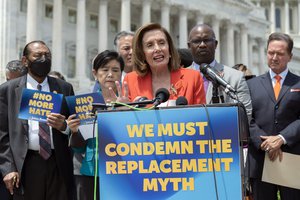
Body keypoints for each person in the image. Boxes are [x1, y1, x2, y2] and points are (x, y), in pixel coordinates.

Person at [0, 40, 75, 200]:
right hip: (26, 165)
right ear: (25, 61)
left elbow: (75, 127)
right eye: (38, 55)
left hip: (58, 164)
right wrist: (8, 168)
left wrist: (64, 126)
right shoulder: (8, 90)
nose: (44, 59)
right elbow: (2, 133)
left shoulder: (64, 88)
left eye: (47, 55)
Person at [246, 33, 300, 200]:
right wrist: (264, 142)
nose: (274, 57)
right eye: (271, 53)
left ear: (290, 56)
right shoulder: (250, 85)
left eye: (280, 54)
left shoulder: (298, 83)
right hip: (261, 158)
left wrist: (282, 138)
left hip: (290, 158)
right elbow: (247, 117)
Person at [67, 50, 124, 200]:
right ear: (95, 73)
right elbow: (78, 146)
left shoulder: (129, 100)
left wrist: (124, 110)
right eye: (105, 70)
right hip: (88, 173)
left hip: (122, 171)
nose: (110, 74)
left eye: (115, 70)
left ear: (121, 73)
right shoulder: (81, 100)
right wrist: (74, 131)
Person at [123, 23, 206, 105]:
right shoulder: (130, 81)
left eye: (162, 43)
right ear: (142, 53)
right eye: (150, 45)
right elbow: (125, 116)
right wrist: (122, 110)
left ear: (169, 49)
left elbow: (202, 116)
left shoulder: (193, 78)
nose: (157, 49)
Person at [188, 24, 252, 117]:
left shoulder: (235, 78)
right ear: (189, 46)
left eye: (207, 40)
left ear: (216, 44)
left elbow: (245, 115)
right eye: (197, 41)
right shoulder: (179, 77)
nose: (202, 45)